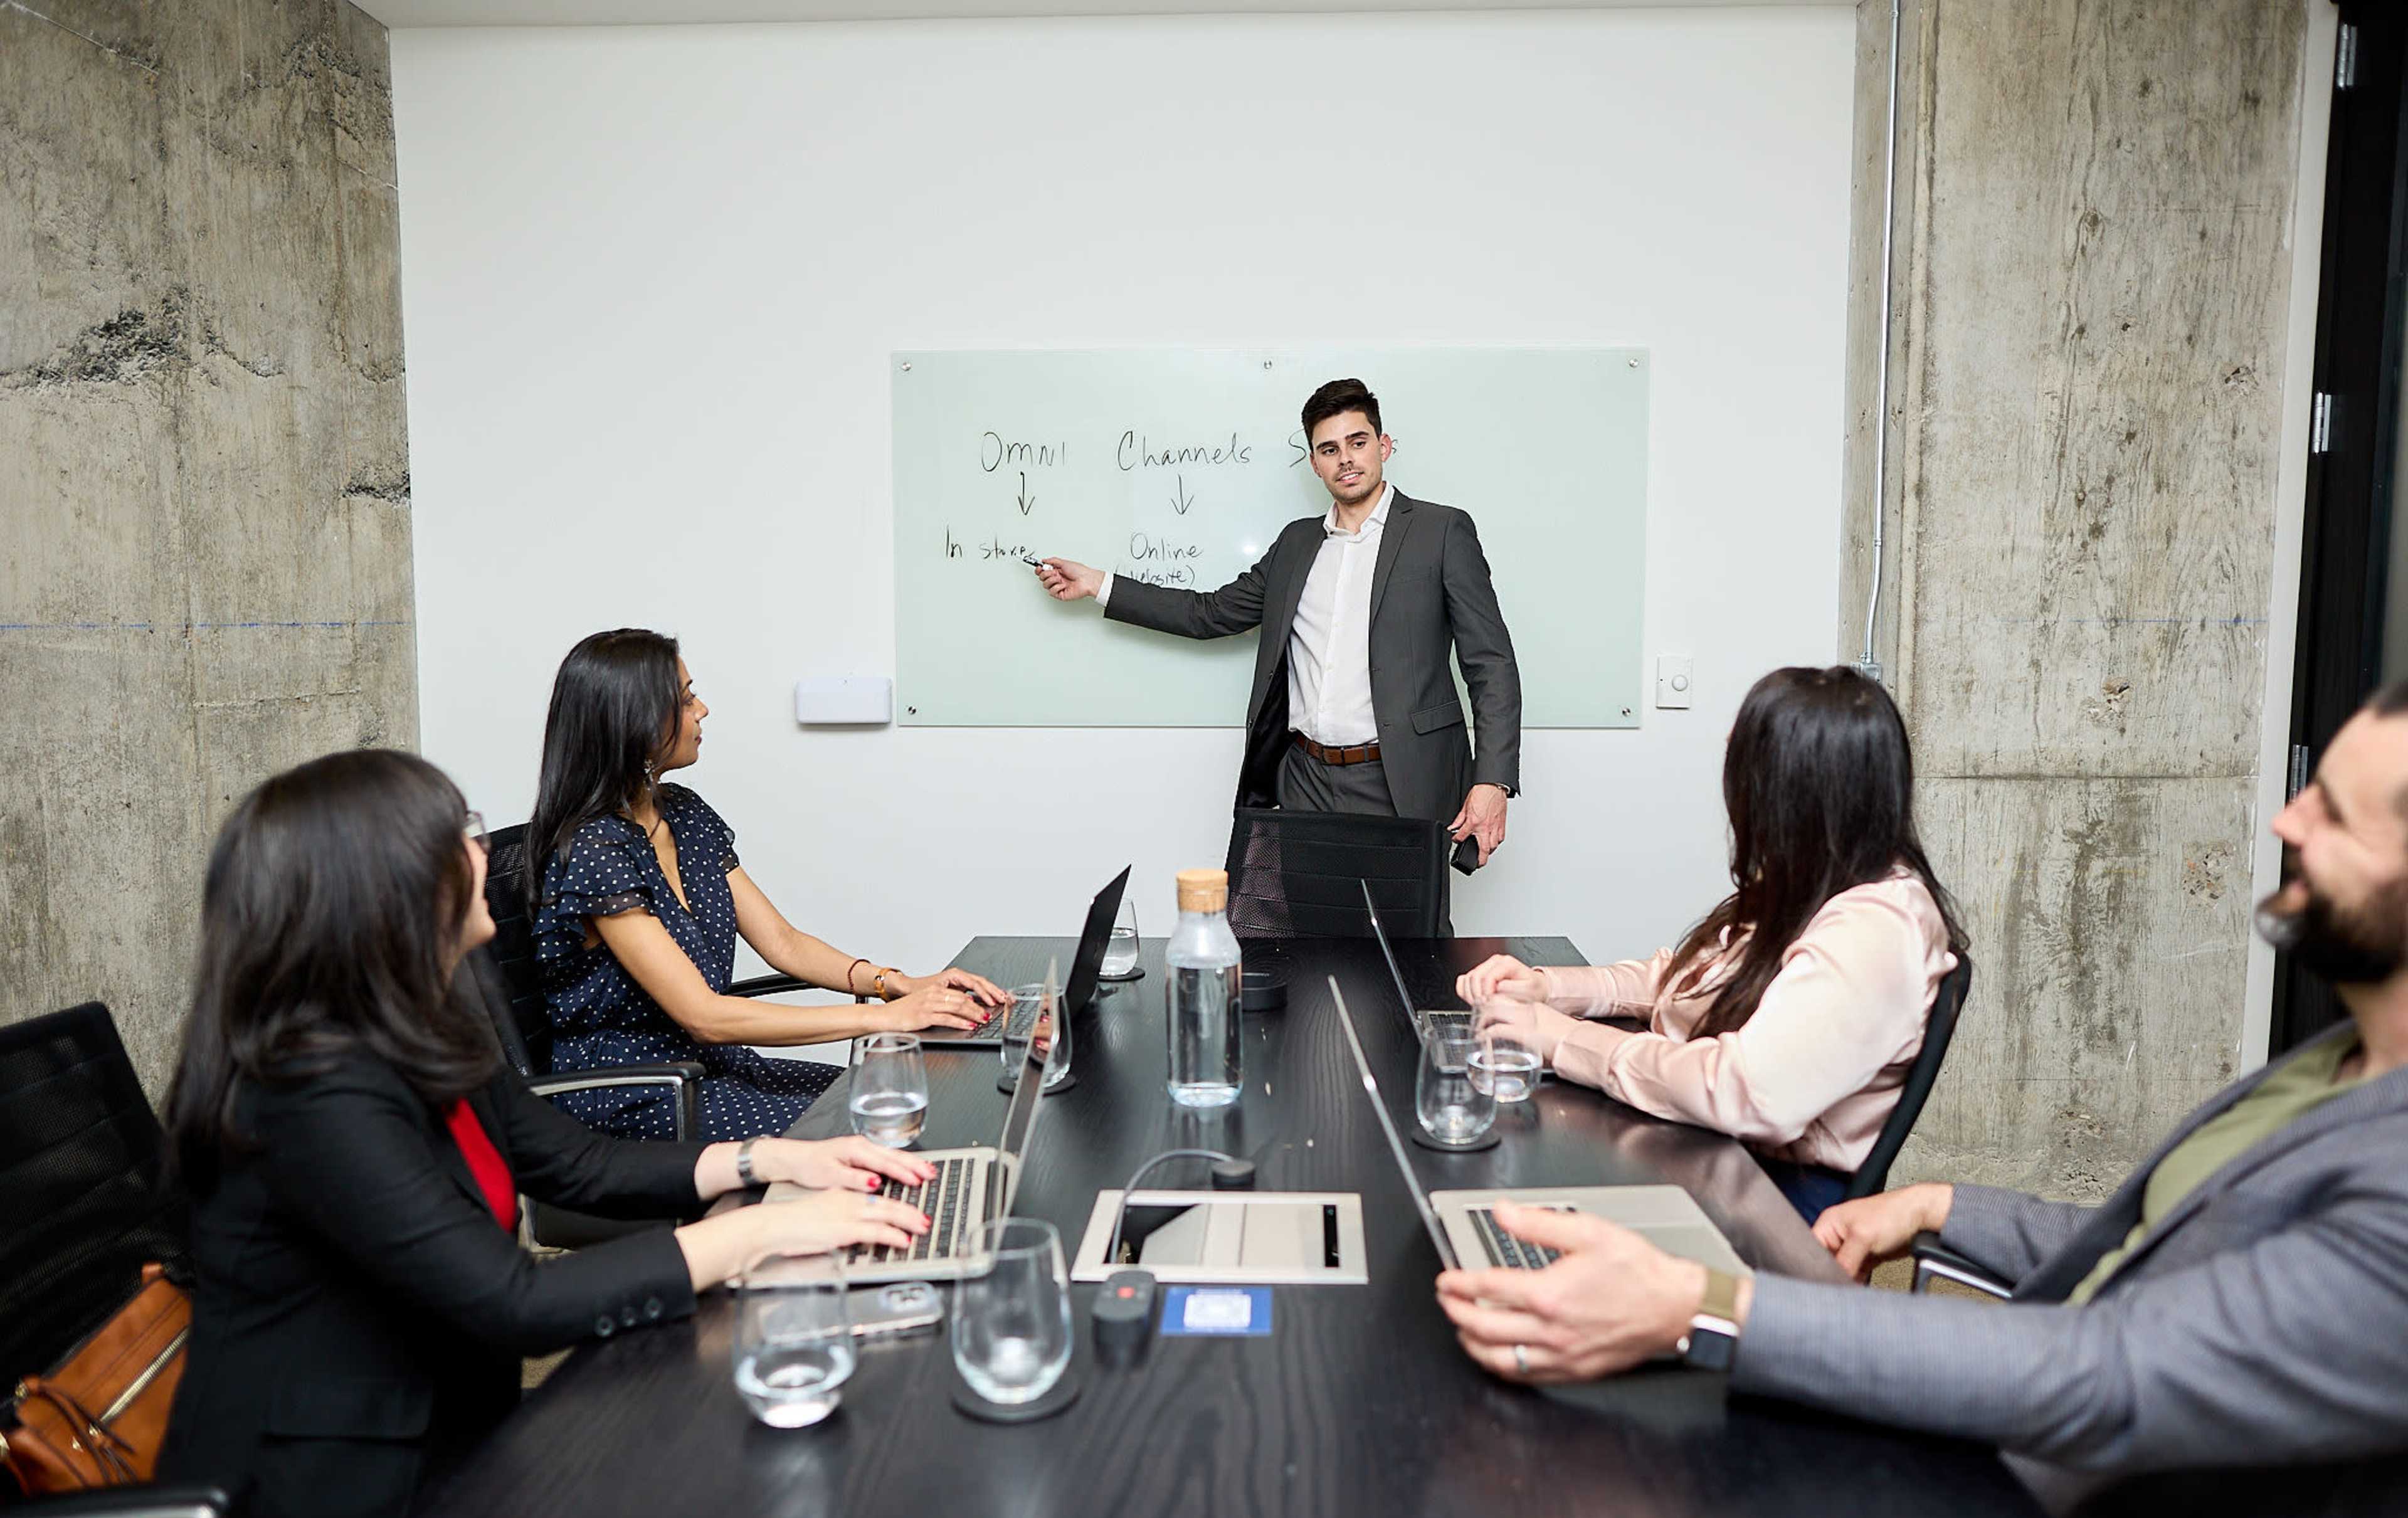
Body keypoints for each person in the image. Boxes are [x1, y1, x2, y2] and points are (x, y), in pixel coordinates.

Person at [1434, 685, 2408, 1518]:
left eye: (2332, 814)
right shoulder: (2337, 1062)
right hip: (2034, 1461)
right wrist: (1945, 1203)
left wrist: (1701, 1304)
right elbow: (2162, 1237)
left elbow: (2111, 1368)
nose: (2285, 822)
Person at [157, 749, 932, 1518]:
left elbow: (568, 1157)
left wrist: (772, 1160)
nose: (484, 850)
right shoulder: (310, 1088)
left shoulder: (423, 1012)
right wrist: (766, 1227)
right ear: (381, 885)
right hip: (332, 1501)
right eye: (460, 834)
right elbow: (514, 1301)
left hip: (456, 1430)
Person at [1457, 666, 1964, 1220]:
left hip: (1768, 1202)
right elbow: (1695, 976)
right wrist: (1550, 988)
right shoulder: (1825, 875)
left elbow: (1743, 1089)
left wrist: (1565, 1041)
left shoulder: (1876, 932)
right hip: (1714, 1152)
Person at [1033, 378, 1521, 926]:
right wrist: (1100, 584)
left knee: (1409, 949)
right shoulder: (1296, 544)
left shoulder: (1441, 531)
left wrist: (1492, 781)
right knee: (1305, 945)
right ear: (1314, 463)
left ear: (1384, 446)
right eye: (1329, 449)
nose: (1346, 460)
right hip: (1305, 782)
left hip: (1397, 780)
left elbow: (1491, 664)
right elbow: (1209, 612)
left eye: (1358, 442)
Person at [525, 629, 1006, 1141]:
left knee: (907, 1102)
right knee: (873, 1128)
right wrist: (884, 1021)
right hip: (639, 1093)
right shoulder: (597, 849)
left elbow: (783, 942)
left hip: (715, 1067)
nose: (703, 709)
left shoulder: (684, 813)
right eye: (686, 700)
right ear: (636, 724)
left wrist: (894, 984)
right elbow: (704, 1015)